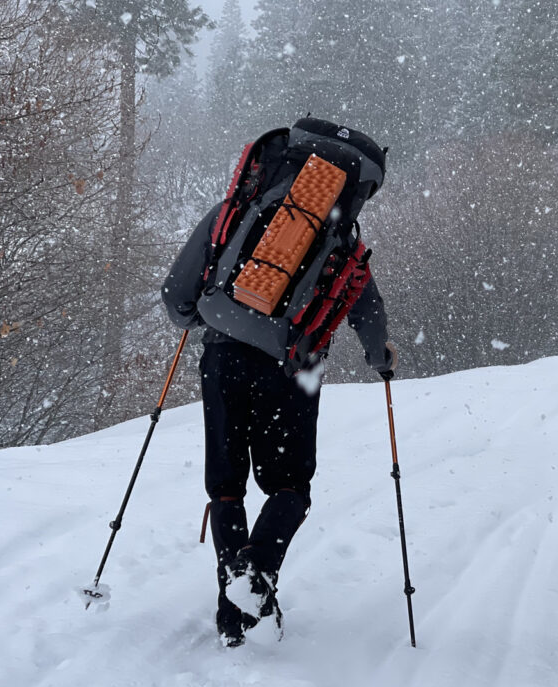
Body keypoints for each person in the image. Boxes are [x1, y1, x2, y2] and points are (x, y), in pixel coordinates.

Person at [161, 151, 397, 648]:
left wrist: (198, 316)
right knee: (290, 486)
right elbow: (364, 302)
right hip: (294, 365)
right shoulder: (342, 235)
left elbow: (178, 294)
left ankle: (234, 611)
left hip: (224, 356)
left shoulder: (239, 209)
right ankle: (257, 573)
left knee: (226, 486)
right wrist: (381, 358)